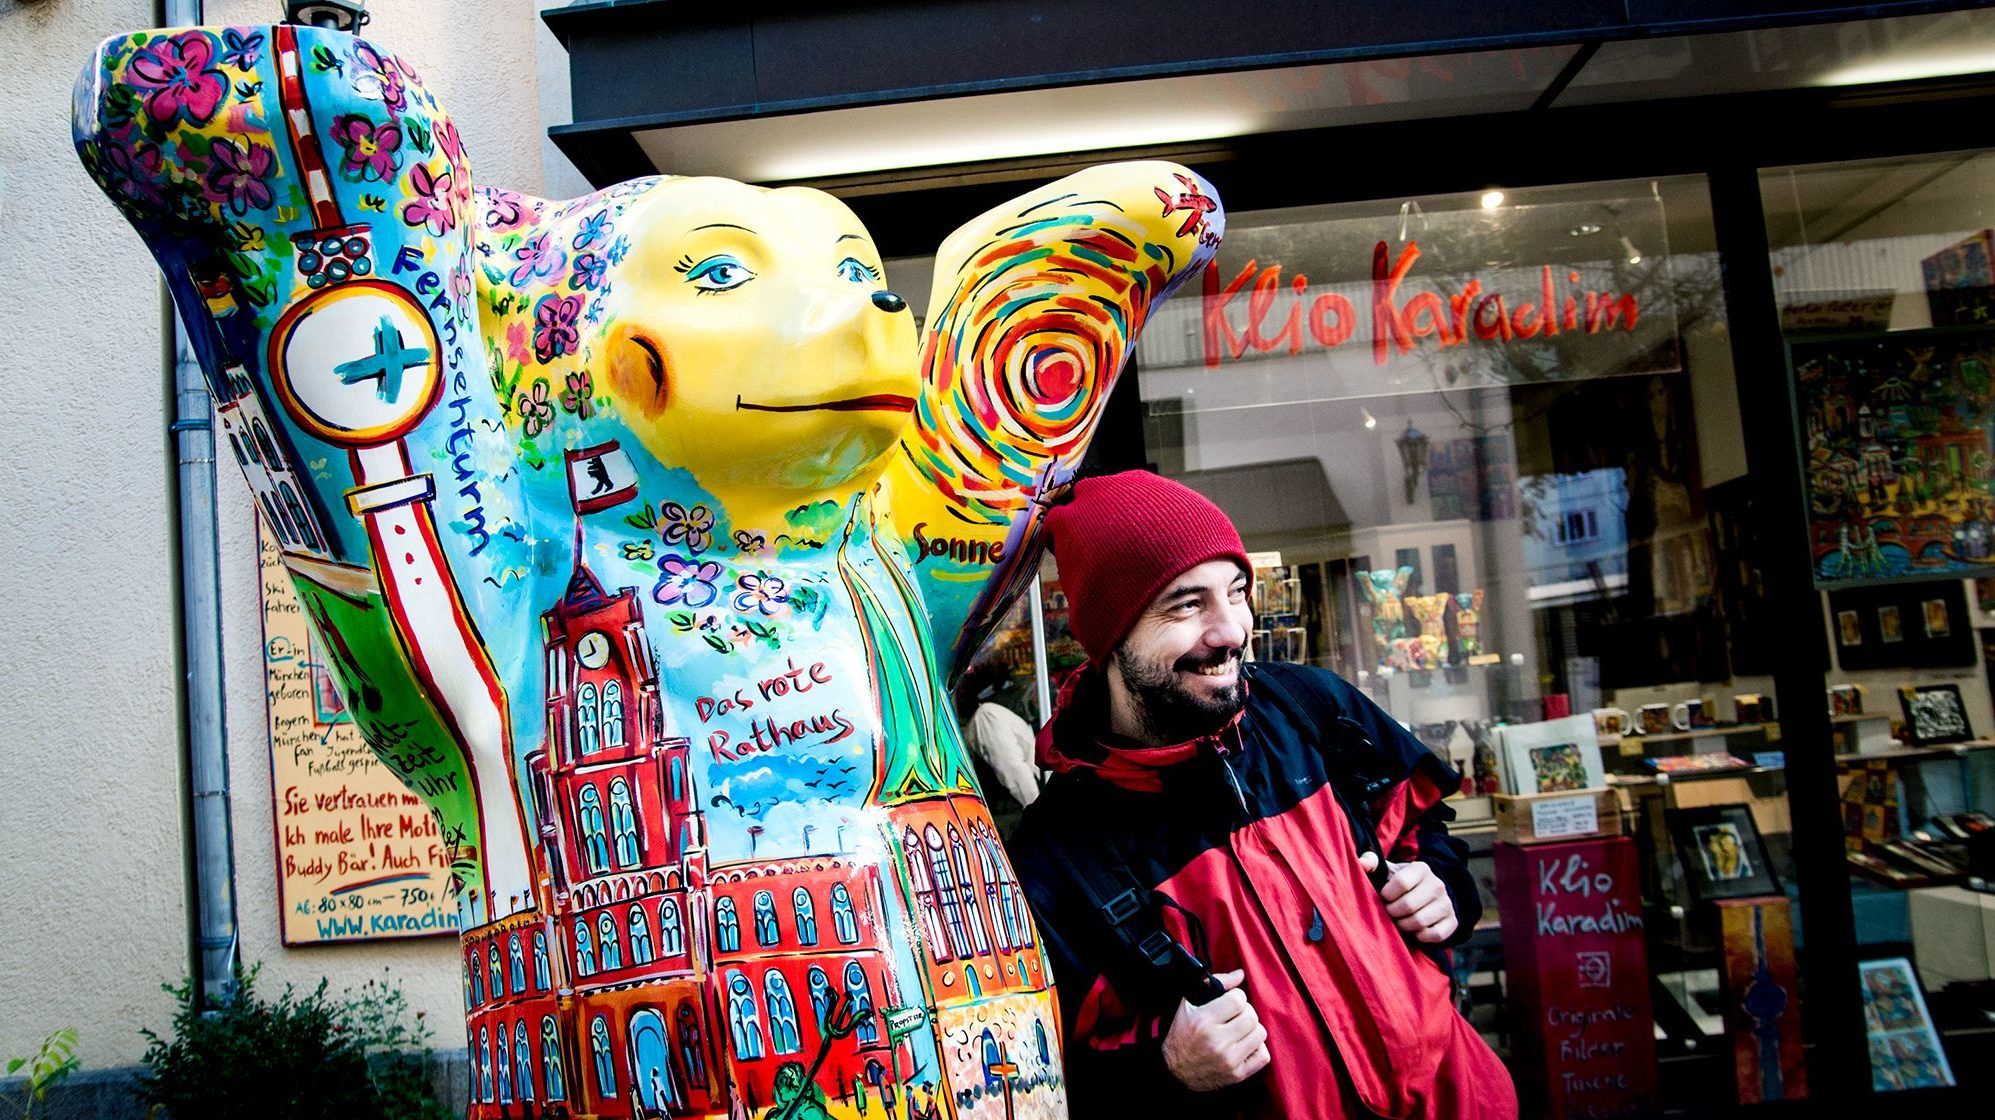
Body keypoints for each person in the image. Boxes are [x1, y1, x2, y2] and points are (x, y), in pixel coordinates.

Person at [1008, 470, 1516, 1119]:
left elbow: (1426, 836)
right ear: (1110, 636)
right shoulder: (1058, 855)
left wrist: (1442, 889)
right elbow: (1050, 1080)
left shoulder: (1314, 709)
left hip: (1462, 1098)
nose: (1229, 631)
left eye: (1236, 592)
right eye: (1186, 604)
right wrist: (1166, 1070)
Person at [953, 661, 1043, 836]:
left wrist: (1037, 813)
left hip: (1016, 810)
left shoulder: (987, 715)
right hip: (1018, 808)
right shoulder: (989, 714)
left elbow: (1013, 769)